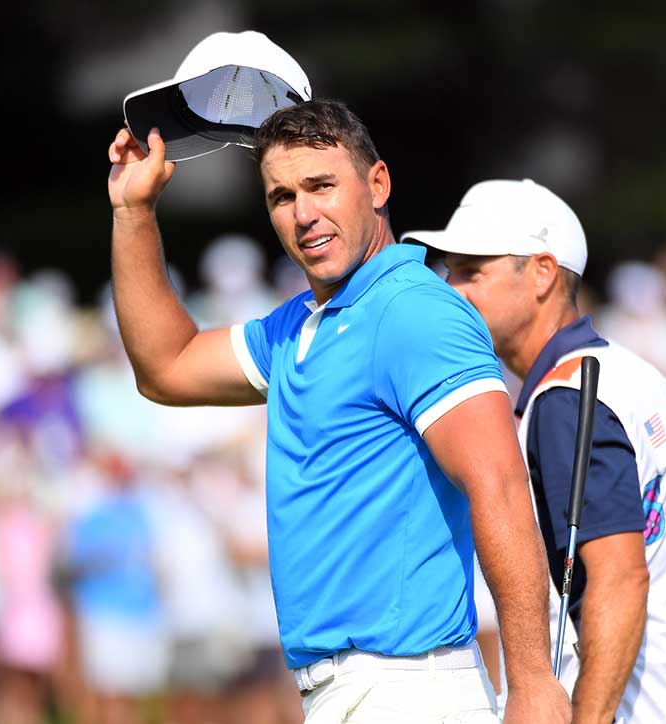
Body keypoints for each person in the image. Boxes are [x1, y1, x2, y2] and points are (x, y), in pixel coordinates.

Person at [105, 100, 569, 723]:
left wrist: (534, 683)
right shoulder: (300, 325)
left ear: (377, 185)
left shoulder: (413, 310)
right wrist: (133, 213)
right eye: (281, 196)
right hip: (348, 693)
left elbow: (500, 485)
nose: (303, 214)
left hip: (408, 690)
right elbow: (168, 367)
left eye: (322, 186)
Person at [405, 179, 666, 723]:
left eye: (471, 271)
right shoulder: (637, 375)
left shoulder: (566, 400)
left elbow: (620, 579)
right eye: (448, 271)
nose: (451, 289)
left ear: (543, 273)